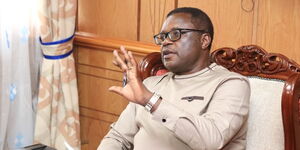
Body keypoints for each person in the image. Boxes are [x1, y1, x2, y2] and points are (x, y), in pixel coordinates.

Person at [98, 7, 250, 150]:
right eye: (162, 37)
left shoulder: (231, 84)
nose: (165, 42)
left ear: (204, 40)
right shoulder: (150, 84)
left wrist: (150, 101)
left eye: (175, 34)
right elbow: (118, 138)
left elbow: (212, 139)